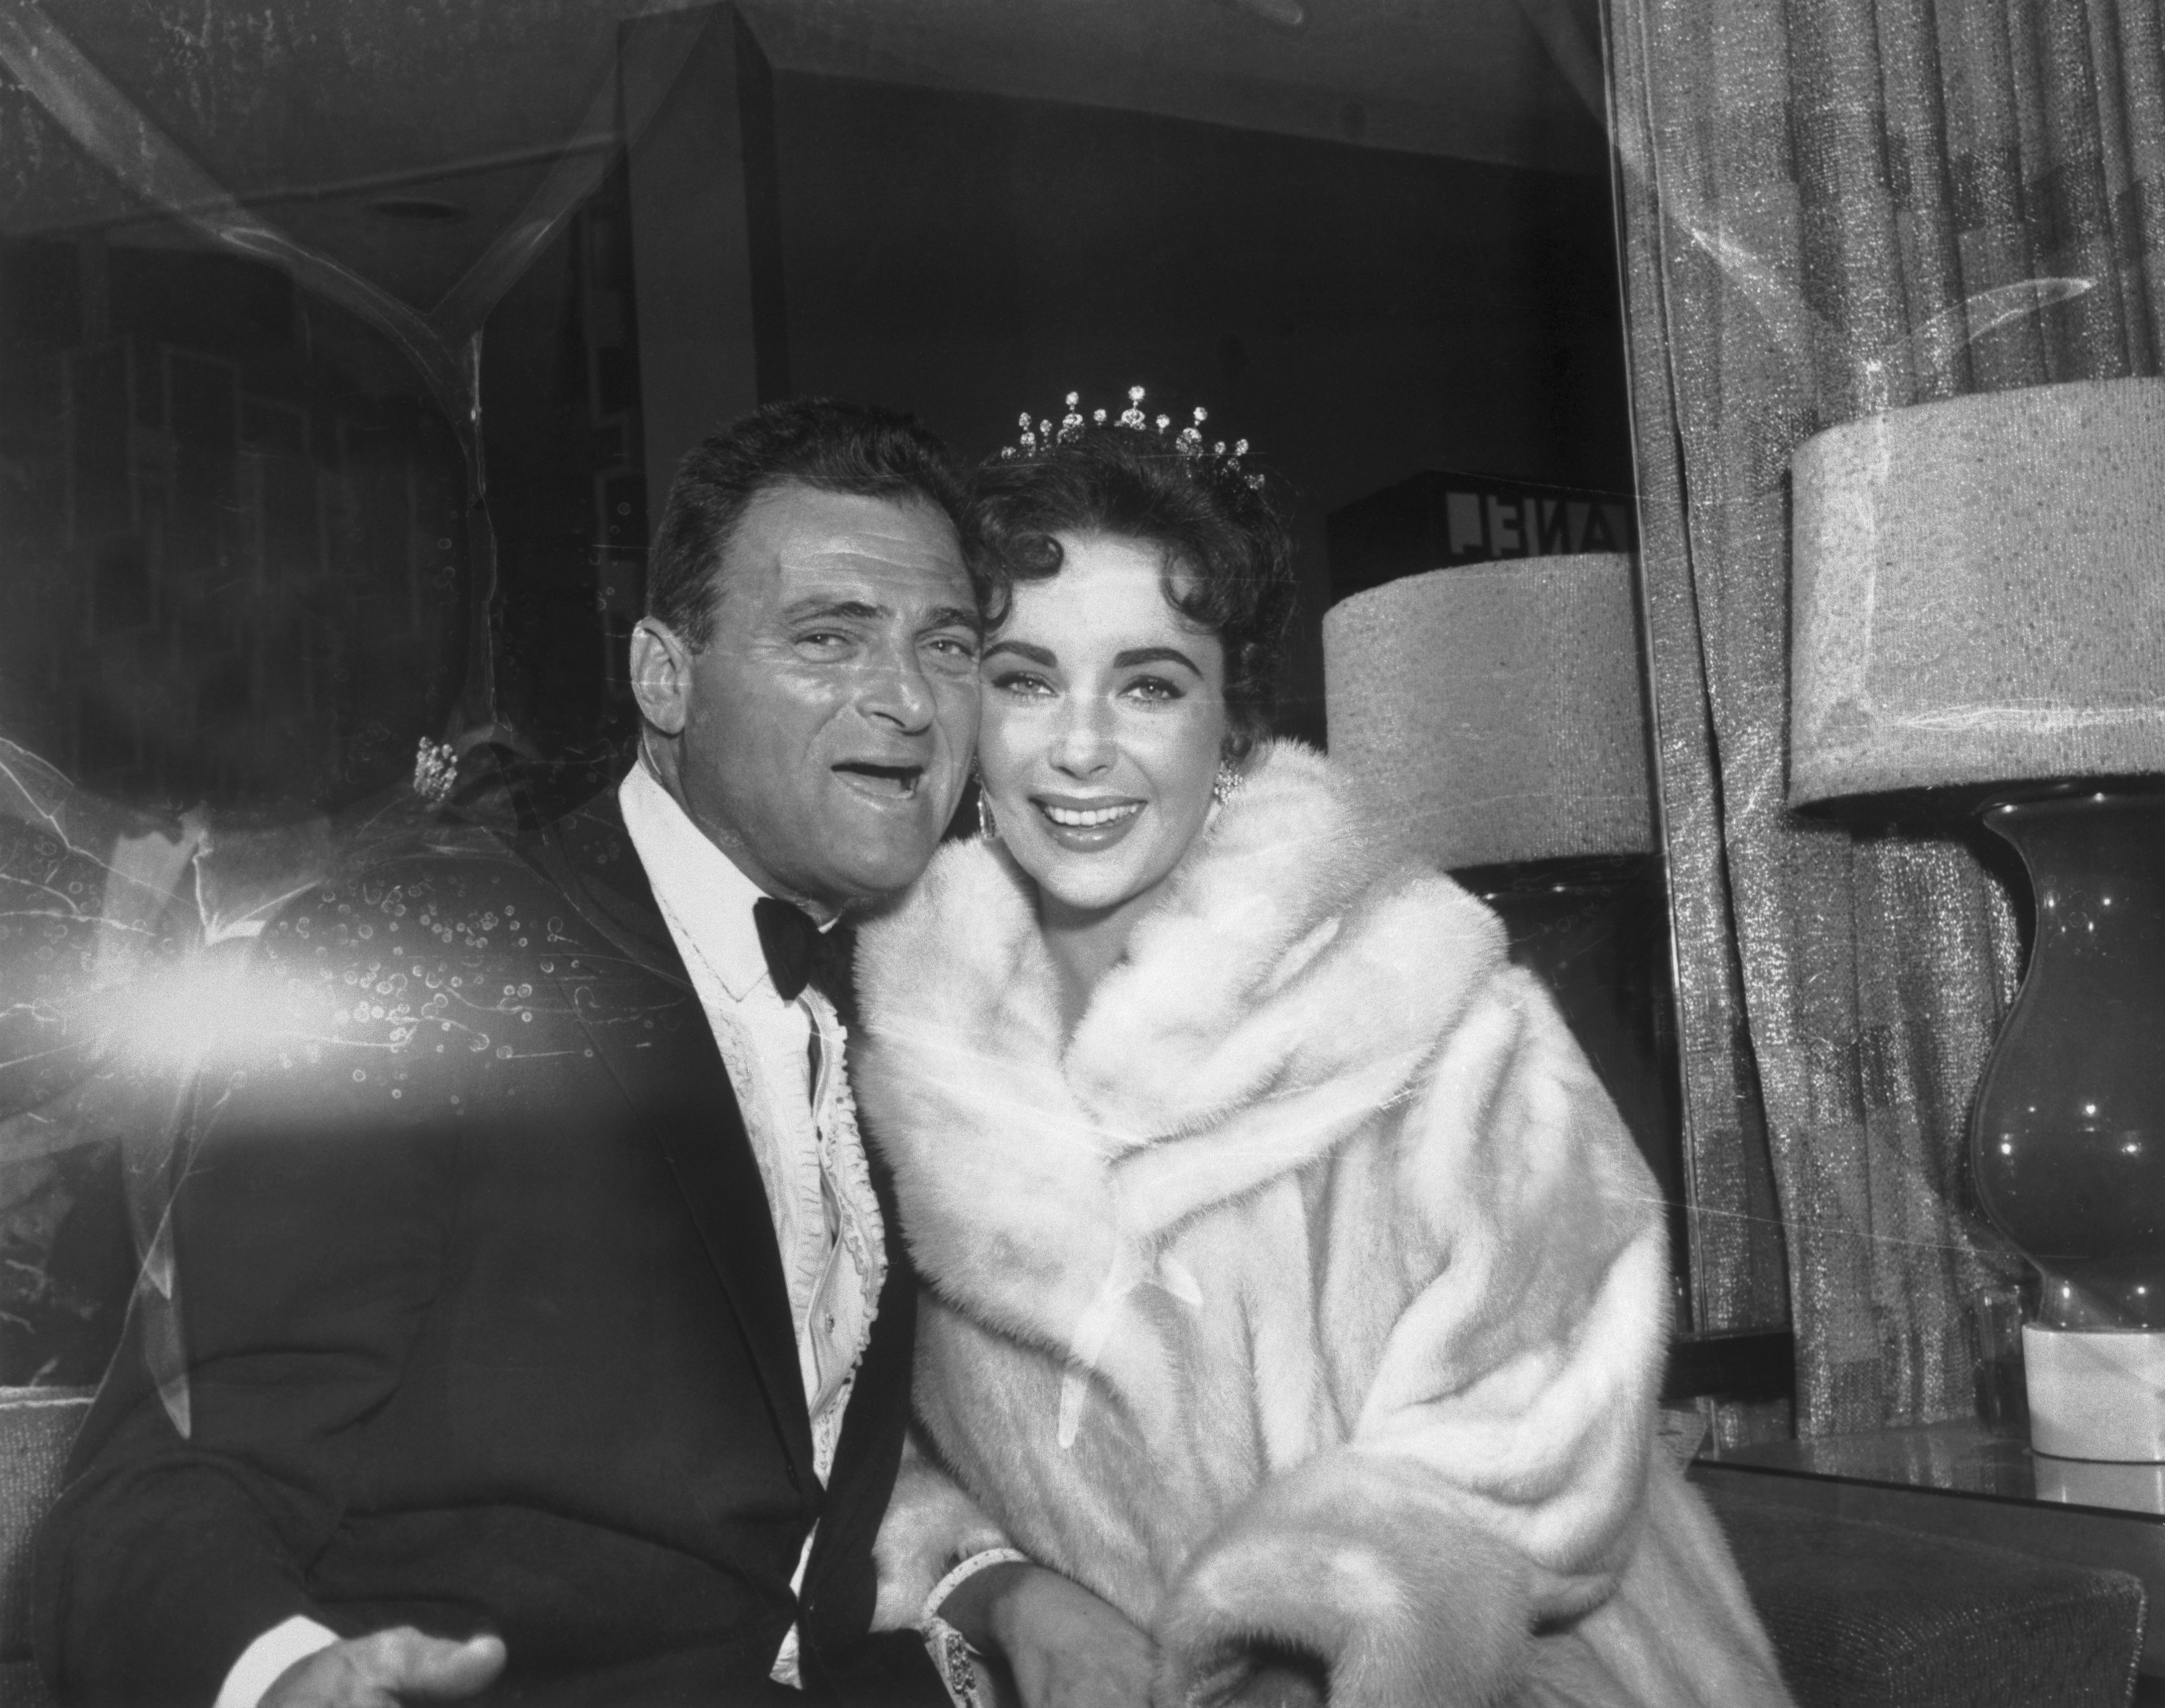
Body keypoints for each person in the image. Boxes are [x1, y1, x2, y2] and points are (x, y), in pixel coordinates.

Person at [34, 400, 1122, 1708]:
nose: (904, 699)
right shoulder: (438, 953)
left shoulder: (915, 997)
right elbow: (160, 1485)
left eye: (945, 646)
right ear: (665, 677)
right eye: (830, 636)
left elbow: (814, 1455)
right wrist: (279, 1675)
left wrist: (989, 1581)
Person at [852, 396, 1795, 1708]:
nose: (1079, 746)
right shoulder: (901, 1058)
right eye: (1025, 681)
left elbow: (1550, 1433)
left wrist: (1304, 1630)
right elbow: (858, 1457)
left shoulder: (1436, 1013)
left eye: (1149, 683)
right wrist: (1007, 1586)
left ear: (1233, 727)